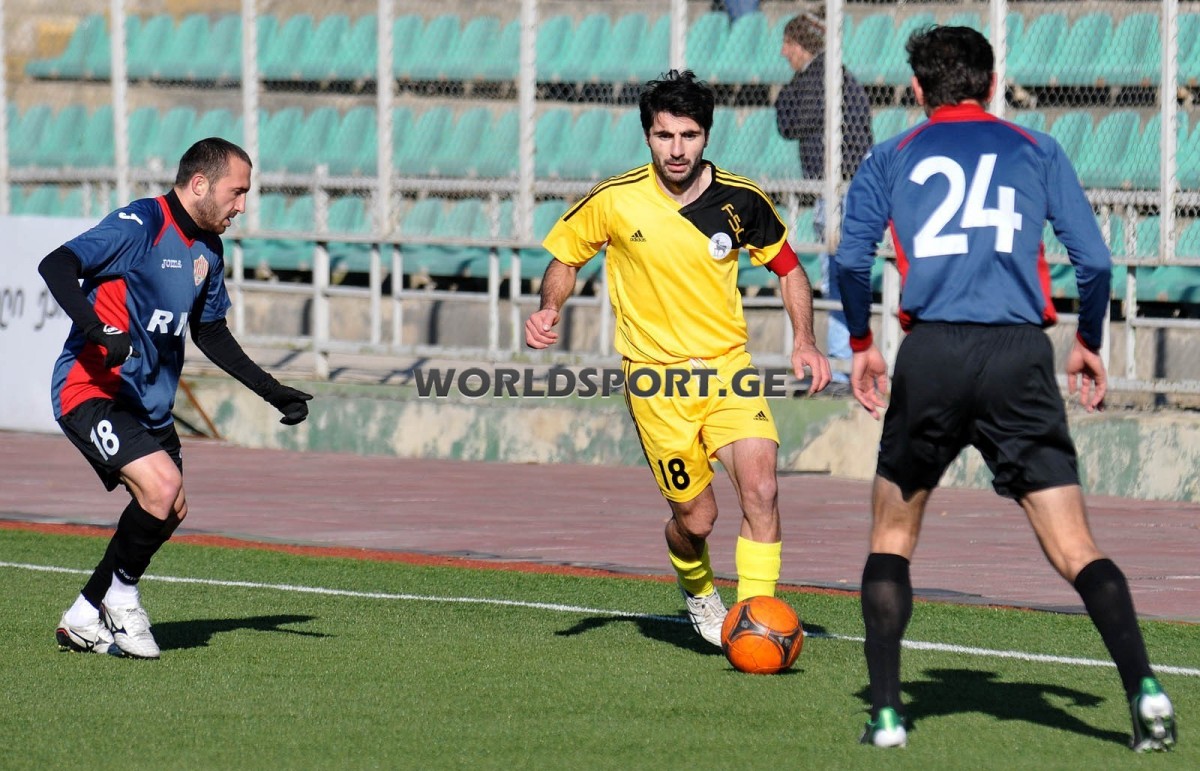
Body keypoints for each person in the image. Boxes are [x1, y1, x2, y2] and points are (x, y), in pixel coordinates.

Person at [835, 26, 1176, 751]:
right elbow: (1094, 263)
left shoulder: (890, 156)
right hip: (1018, 356)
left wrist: (862, 345)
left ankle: (888, 715)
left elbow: (850, 262)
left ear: (917, 90)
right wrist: (1088, 342)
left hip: (932, 351)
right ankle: (1145, 693)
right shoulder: (1036, 149)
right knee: (1074, 544)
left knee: (892, 534)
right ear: (992, 85)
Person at [525, 70, 831, 647]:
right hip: (655, 383)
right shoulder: (615, 199)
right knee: (697, 521)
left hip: (728, 371)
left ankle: (755, 622)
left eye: (689, 135)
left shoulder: (740, 199)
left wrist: (805, 339)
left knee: (763, 490)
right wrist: (549, 308)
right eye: (665, 135)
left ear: (706, 135)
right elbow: (566, 258)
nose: (676, 149)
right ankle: (698, 590)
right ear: (648, 135)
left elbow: (789, 268)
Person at [40, 137, 313, 659]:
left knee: (170, 509)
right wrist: (98, 329)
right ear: (200, 184)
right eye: (237, 192)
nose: (242, 206)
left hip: (149, 403)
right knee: (162, 488)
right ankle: (121, 598)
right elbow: (56, 264)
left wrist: (272, 391)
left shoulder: (209, 249)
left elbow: (209, 332)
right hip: (92, 389)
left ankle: (83, 614)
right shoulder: (141, 224)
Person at [775, 11, 873, 389]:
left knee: (839, 278)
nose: (784, 53)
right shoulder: (830, 75)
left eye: (788, 44)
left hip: (842, 191)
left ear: (802, 46)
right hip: (840, 190)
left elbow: (788, 121)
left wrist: (791, 90)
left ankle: (843, 367)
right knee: (836, 276)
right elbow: (787, 121)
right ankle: (840, 365)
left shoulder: (822, 78)